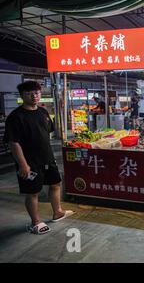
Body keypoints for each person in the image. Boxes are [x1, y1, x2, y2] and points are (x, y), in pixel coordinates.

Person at [4, 81, 74, 235]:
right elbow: (13, 143)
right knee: (32, 192)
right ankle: (35, 222)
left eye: (37, 92)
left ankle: (58, 212)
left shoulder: (43, 112)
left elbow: (46, 133)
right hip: (29, 162)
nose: (34, 96)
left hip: (47, 158)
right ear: (22, 95)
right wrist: (23, 165)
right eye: (30, 93)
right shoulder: (16, 117)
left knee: (56, 183)